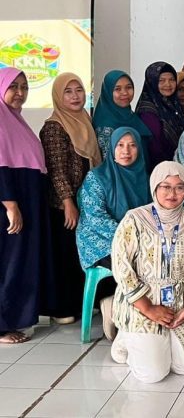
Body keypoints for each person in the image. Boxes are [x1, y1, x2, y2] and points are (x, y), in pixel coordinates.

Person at [110, 162, 184, 383]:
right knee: (152, 374)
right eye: (165, 186)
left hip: (179, 302)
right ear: (155, 187)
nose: (172, 194)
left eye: (179, 187)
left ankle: (155, 342)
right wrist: (148, 308)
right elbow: (121, 266)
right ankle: (125, 336)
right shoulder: (135, 219)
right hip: (142, 301)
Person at [76, 127, 151, 340]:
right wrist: (131, 237)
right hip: (99, 241)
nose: (126, 151)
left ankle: (126, 309)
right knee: (136, 261)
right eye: (120, 145)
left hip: (136, 239)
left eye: (132, 145)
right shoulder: (97, 177)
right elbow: (95, 218)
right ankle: (119, 309)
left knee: (155, 260)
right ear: (111, 148)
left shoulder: (145, 178)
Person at [40, 72, 102, 324]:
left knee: (79, 253)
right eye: (68, 91)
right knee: (64, 253)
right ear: (58, 96)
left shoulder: (84, 120)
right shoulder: (54, 127)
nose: (75, 96)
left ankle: (78, 302)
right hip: (64, 204)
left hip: (84, 200)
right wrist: (68, 202)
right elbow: (56, 169)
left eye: (79, 90)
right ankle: (61, 308)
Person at [0, 68, 49, 344]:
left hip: (25, 199)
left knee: (19, 262)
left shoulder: (15, 120)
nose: (20, 93)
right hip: (10, 204)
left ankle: (15, 320)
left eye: (24, 87)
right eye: (13, 87)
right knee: (8, 263)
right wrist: (10, 205)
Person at [136, 62, 184, 169]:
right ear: (152, 82)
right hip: (161, 168)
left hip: (178, 164)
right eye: (161, 80)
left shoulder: (174, 104)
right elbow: (155, 147)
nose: (168, 84)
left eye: (172, 80)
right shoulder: (147, 111)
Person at [92, 70, 152, 159]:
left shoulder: (131, 116)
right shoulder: (104, 124)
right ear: (108, 92)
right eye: (117, 89)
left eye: (128, 87)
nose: (125, 93)